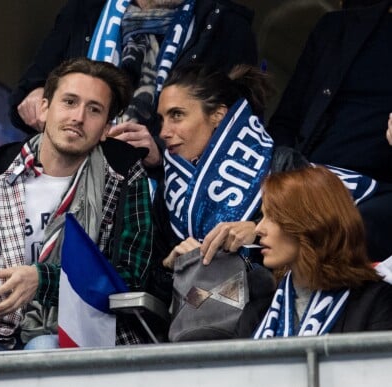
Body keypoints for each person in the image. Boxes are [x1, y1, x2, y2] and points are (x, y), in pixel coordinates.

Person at [0, 57, 154, 353]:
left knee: (43, 347)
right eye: (70, 102)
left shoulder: (124, 173)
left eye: (94, 110)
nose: (78, 117)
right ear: (45, 108)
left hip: (85, 334)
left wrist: (42, 279)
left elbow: (129, 278)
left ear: (105, 129)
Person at [10, 0, 258, 168]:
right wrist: (37, 95)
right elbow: (30, 87)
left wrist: (161, 152)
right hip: (62, 174)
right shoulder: (88, 7)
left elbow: (238, 140)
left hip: (152, 202)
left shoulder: (227, 27)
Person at [148, 62, 302, 306]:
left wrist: (256, 231)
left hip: (274, 320)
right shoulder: (169, 187)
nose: (164, 131)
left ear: (218, 116)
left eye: (177, 115)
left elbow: (321, 238)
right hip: (200, 328)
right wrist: (172, 266)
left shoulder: (278, 162)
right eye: (162, 119)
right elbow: (159, 290)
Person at [266, 0, 392, 261]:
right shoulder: (336, 29)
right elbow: (286, 121)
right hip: (303, 183)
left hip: (373, 205)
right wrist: (282, 182)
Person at [236, 166, 392, 338]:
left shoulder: (377, 302)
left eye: (272, 217)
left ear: (311, 222)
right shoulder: (256, 315)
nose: (258, 229)